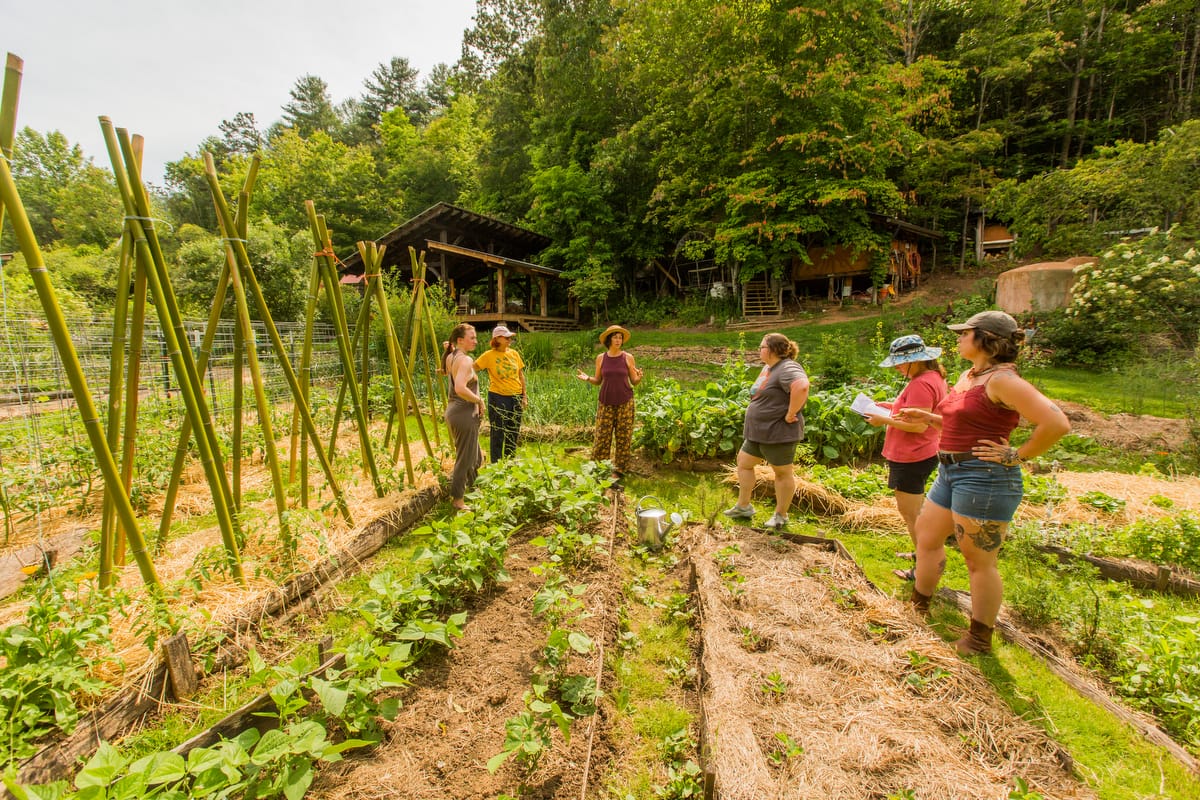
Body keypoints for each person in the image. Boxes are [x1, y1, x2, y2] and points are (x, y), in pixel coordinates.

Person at [895, 311, 1070, 655]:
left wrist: (1016, 455)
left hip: (984, 477)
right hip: (950, 471)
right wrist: (928, 417)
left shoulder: (1002, 380)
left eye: (965, 333)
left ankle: (979, 637)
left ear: (985, 339)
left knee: (978, 560)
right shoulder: (970, 375)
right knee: (928, 538)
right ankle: (917, 607)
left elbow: (1056, 422)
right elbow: (962, 423)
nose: (959, 338)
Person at [864, 335, 948, 580]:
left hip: (912, 454)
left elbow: (919, 426)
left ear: (916, 361)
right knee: (915, 510)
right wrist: (892, 406)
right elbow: (920, 412)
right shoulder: (930, 378)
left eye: (900, 363)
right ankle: (920, 551)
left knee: (911, 513)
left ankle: (924, 564)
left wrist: (883, 419)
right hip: (923, 451)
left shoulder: (921, 383)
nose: (897, 367)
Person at [723, 333, 811, 530]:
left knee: (782, 473)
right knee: (744, 463)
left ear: (772, 350)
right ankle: (743, 507)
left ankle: (781, 516)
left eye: (762, 347)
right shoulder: (769, 367)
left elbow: (802, 386)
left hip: (777, 433)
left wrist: (791, 412)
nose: (759, 350)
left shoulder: (788, 367)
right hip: (759, 432)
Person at [577, 324, 643, 479]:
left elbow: (634, 381)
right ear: (609, 339)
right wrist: (587, 378)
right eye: (615, 337)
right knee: (602, 436)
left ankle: (620, 469)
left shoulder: (628, 357)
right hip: (605, 402)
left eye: (620, 337)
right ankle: (599, 468)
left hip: (625, 403)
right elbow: (598, 380)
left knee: (624, 436)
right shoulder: (601, 358)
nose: (618, 340)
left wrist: (639, 377)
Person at [442, 324, 485, 511]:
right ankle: (458, 499)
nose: (475, 341)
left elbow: (445, 372)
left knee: (475, 457)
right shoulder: (465, 360)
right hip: (463, 413)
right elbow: (460, 388)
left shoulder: (452, 356)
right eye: (472, 337)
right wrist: (479, 400)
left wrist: (447, 349)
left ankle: (473, 487)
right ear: (460, 340)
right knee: (464, 459)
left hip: (456, 411)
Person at [474, 325, 527, 462]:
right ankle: (496, 464)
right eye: (507, 337)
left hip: (516, 397)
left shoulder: (514, 353)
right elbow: (471, 369)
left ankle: (510, 462)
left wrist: (524, 396)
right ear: (497, 338)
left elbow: (521, 375)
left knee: (513, 431)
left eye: (510, 337)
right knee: (498, 431)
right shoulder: (488, 355)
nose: (510, 339)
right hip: (498, 397)